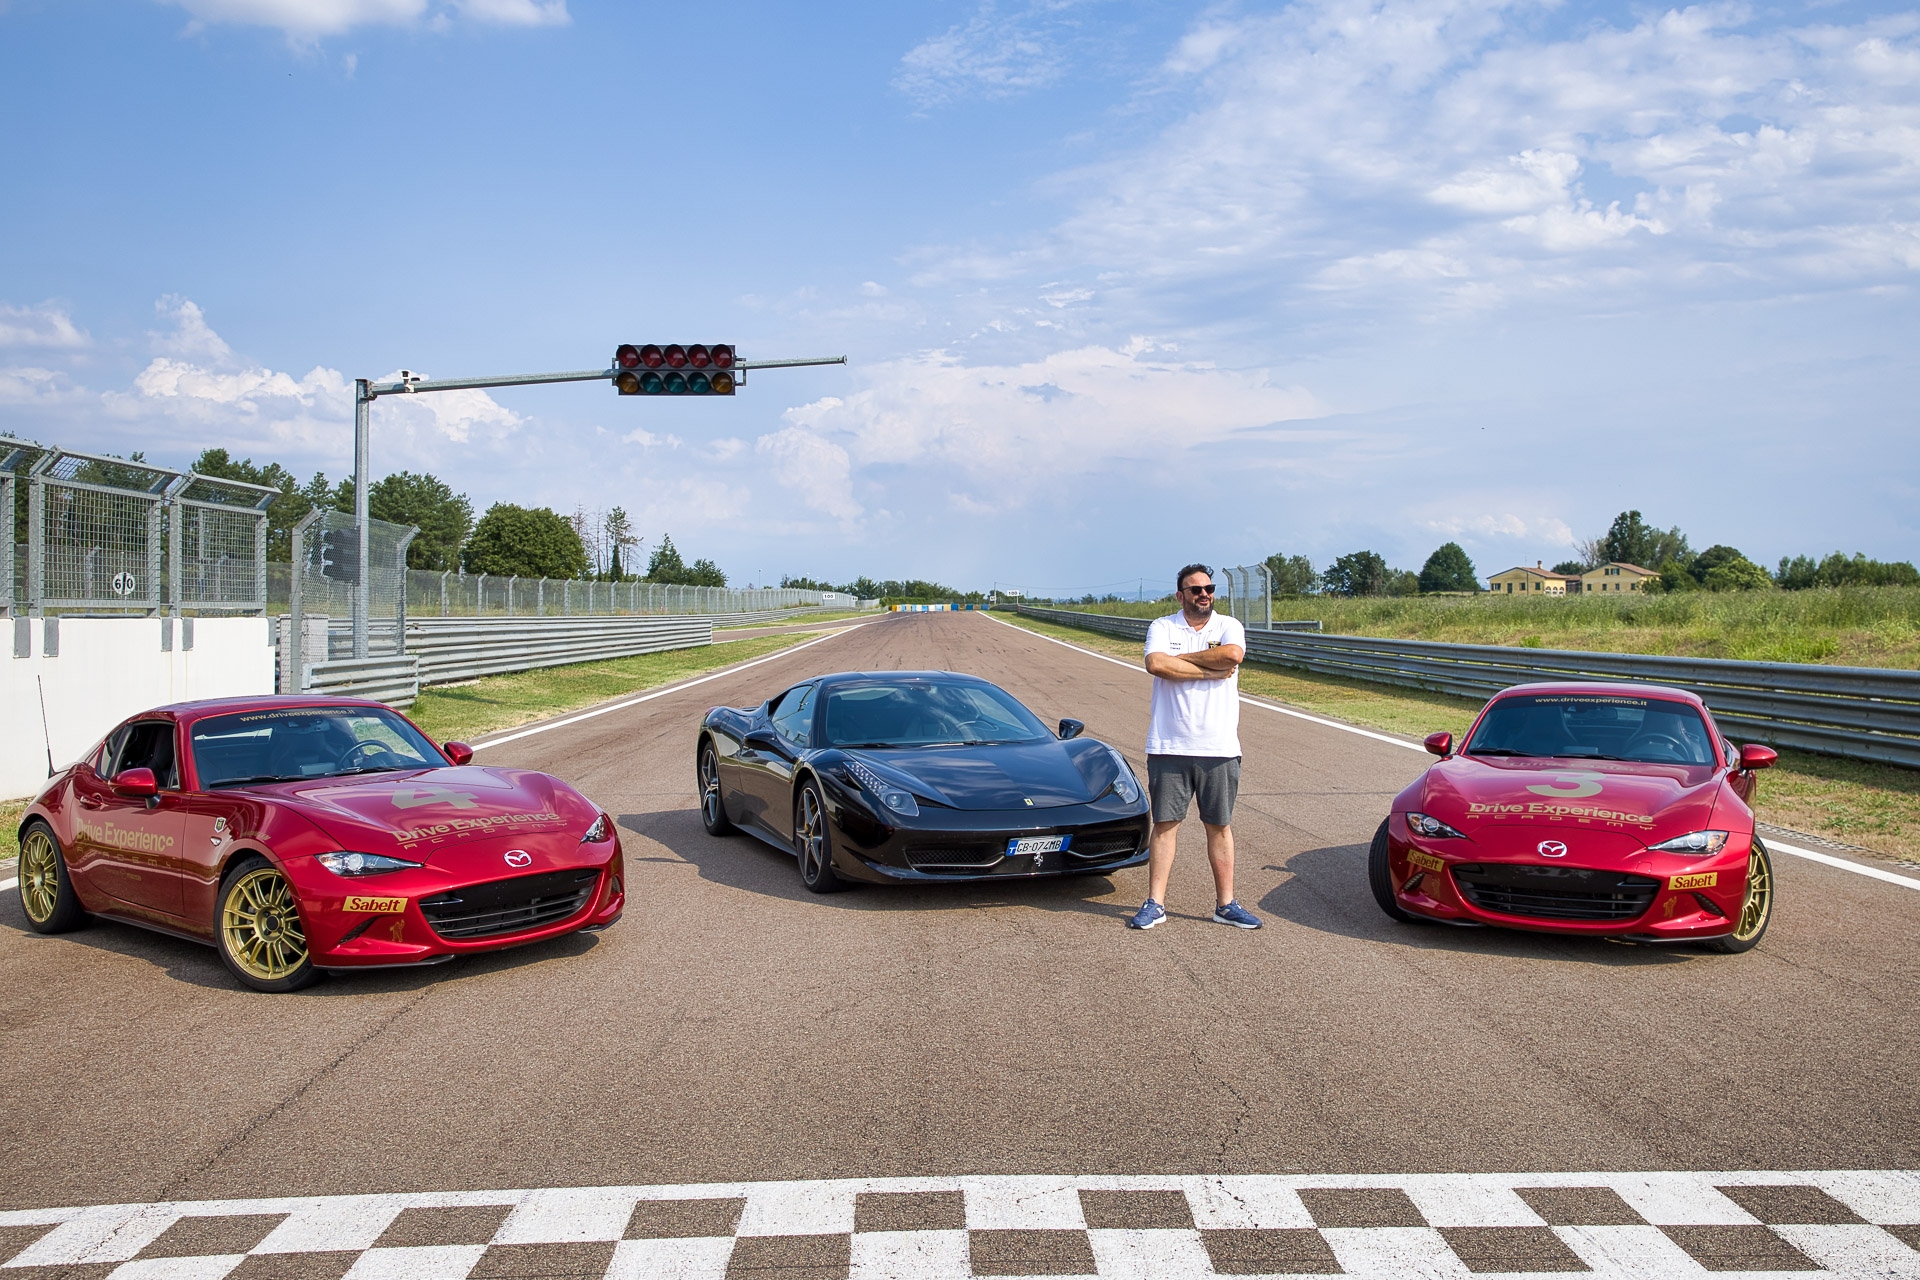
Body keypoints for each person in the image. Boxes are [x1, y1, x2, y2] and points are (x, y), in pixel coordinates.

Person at [1128, 564, 1261, 930]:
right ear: (1180, 595)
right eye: (1196, 589)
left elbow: (1232, 656)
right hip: (1169, 745)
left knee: (1219, 826)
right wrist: (1207, 670)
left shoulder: (1228, 625)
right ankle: (1155, 903)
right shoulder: (1163, 626)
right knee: (1165, 825)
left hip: (1219, 747)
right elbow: (1156, 663)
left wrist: (1180, 662)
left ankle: (1226, 904)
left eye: (1209, 588)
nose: (1204, 594)